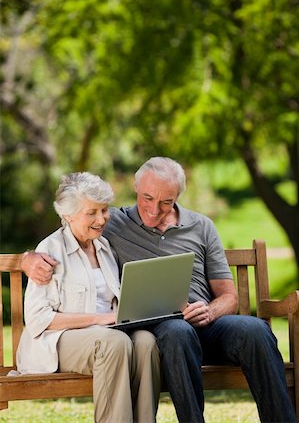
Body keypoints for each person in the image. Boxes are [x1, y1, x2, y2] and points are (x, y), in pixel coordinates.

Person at [21, 158, 298, 423]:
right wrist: (27, 259)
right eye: (147, 199)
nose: (154, 209)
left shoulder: (201, 226)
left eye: (166, 201)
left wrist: (210, 310)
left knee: (256, 331)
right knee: (177, 333)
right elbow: (72, 231)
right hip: (164, 328)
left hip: (206, 323)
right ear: (136, 188)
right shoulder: (113, 223)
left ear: (178, 195)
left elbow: (229, 296)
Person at [17, 172, 161, 423]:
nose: (101, 219)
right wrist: (101, 318)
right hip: (58, 343)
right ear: (67, 215)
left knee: (146, 342)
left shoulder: (105, 249)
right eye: (91, 212)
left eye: (104, 210)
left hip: (109, 335)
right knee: (113, 343)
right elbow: (38, 319)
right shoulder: (50, 250)